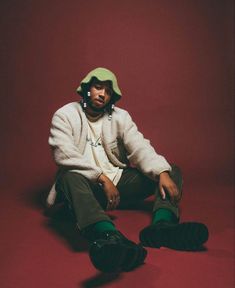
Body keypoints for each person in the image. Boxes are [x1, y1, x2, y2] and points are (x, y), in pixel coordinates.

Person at [47, 67, 209, 273]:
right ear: (86, 89)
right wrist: (101, 178)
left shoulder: (120, 117)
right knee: (69, 177)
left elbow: (139, 147)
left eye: (107, 91)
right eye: (98, 87)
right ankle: (108, 236)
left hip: (116, 184)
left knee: (169, 170)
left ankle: (163, 227)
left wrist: (161, 173)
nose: (102, 94)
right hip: (83, 186)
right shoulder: (65, 115)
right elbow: (64, 154)